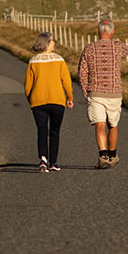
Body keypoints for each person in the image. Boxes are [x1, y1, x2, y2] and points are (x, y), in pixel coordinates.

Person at [78, 18, 128, 169]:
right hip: (114, 92)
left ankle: (102, 155)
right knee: (113, 124)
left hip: (95, 92)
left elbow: (82, 72)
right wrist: (116, 40)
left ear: (98, 31)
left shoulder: (89, 48)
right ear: (112, 32)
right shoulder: (118, 47)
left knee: (99, 124)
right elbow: (127, 50)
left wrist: (85, 90)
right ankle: (113, 155)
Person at [24, 31, 74, 173]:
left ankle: (43, 159)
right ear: (46, 42)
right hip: (57, 100)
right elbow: (67, 82)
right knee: (54, 132)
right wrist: (69, 98)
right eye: (52, 41)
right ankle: (53, 163)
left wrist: (31, 100)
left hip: (38, 102)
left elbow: (28, 85)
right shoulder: (59, 60)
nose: (54, 43)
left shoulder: (33, 61)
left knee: (41, 130)